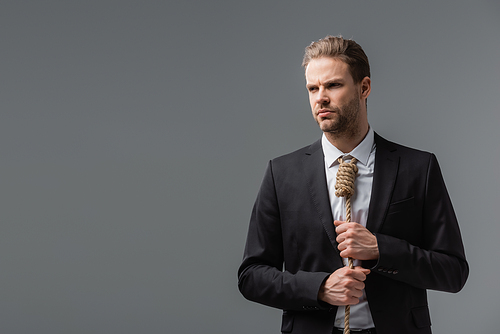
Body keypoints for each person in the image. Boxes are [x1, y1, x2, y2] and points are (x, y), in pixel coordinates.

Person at [237, 36, 468, 334]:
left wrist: (380, 248)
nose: (320, 97)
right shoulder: (282, 173)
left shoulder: (418, 168)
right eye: (312, 88)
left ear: (364, 87)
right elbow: (251, 276)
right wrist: (319, 288)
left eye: (333, 85)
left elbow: (454, 272)